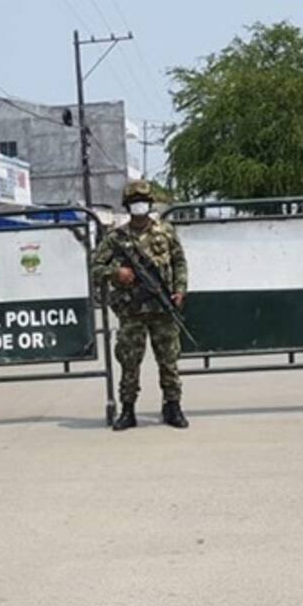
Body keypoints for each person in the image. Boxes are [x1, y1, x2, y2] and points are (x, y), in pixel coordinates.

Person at [92, 180, 189, 430]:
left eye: (143, 202)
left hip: (162, 307)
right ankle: (127, 410)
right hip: (131, 311)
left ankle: (173, 405)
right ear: (127, 206)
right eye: (134, 202)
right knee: (129, 360)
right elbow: (95, 267)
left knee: (168, 359)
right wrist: (117, 273)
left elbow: (179, 261)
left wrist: (179, 290)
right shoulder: (116, 238)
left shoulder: (165, 231)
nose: (139, 206)